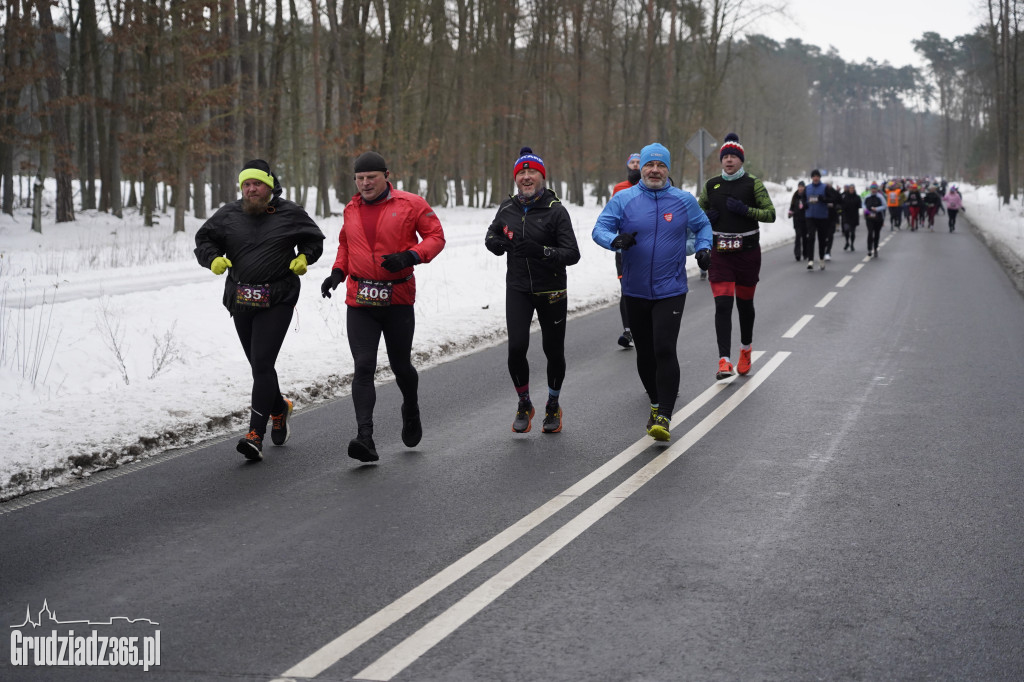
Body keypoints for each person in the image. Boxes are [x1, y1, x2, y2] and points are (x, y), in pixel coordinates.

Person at [194, 159, 325, 461]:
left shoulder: (290, 213)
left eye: (257, 184)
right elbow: (204, 239)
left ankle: (255, 434)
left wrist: (304, 257)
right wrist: (212, 259)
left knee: (263, 363)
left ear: (270, 185)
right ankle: (279, 408)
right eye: (246, 185)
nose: (251, 189)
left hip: (278, 296)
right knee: (258, 366)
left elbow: (313, 240)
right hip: (242, 298)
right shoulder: (229, 214)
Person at [321, 151, 446, 463]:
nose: (365, 183)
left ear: (386, 176)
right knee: (363, 366)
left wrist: (411, 256)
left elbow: (436, 237)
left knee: (400, 365)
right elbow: (346, 244)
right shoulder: (350, 208)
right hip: (360, 299)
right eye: (360, 178)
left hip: (397, 298)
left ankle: (411, 407)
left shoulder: (410, 204)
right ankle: (366, 437)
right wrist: (338, 272)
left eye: (371, 178)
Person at [592, 142, 713, 442]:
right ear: (641, 168)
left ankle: (665, 416)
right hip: (634, 289)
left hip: (671, 288)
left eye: (660, 166)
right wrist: (615, 241)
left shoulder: (683, 201)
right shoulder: (624, 199)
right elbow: (599, 229)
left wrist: (703, 248)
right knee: (645, 352)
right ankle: (655, 403)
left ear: (668, 170)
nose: (655, 170)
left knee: (663, 348)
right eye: (649, 165)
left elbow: (704, 226)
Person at [485, 147, 580, 434]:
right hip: (518, 289)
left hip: (551, 290)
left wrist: (541, 251)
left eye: (532, 172)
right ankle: (524, 403)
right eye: (521, 173)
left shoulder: (556, 211)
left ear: (542, 176)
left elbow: (572, 254)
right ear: (516, 178)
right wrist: (494, 244)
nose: (526, 177)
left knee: (553, 350)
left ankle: (553, 404)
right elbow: (492, 233)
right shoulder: (507, 207)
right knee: (516, 349)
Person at [696, 132, 776, 380]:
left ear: (741, 160)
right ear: (721, 160)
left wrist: (746, 210)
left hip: (747, 253)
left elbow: (770, 214)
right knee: (722, 305)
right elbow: (697, 215)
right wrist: (706, 218)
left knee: (744, 305)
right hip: (720, 253)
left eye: (733, 156)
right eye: (725, 156)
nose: (729, 160)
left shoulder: (753, 184)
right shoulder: (711, 185)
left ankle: (745, 349)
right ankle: (724, 360)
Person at [612, 152, 642, 347]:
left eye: (639, 162)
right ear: (627, 165)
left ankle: (644, 328)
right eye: (632, 162)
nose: (635, 165)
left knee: (643, 288)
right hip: (624, 249)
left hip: (646, 247)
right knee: (626, 289)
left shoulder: (648, 187)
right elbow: (611, 216)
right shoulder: (619, 188)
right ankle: (628, 331)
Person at [804, 169, 833, 270]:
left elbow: (831, 199)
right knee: (811, 237)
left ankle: (821, 259)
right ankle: (810, 260)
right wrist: (804, 205)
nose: (815, 178)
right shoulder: (807, 188)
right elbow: (803, 200)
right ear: (811, 178)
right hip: (810, 217)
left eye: (817, 176)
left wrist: (823, 199)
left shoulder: (825, 188)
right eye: (814, 176)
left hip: (822, 217)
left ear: (820, 178)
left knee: (822, 239)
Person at [863, 182, 887, 257]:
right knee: (870, 233)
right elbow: (863, 204)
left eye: (875, 189)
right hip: (869, 217)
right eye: (872, 189)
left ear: (877, 189)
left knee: (877, 234)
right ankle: (869, 249)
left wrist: (876, 209)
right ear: (870, 189)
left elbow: (885, 206)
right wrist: (865, 210)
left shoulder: (880, 197)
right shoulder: (867, 196)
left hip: (878, 218)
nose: (873, 190)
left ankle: (875, 248)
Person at [840, 183, 862, 252]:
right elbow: (841, 205)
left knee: (852, 232)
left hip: (854, 216)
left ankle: (852, 244)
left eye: (853, 189)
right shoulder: (845, 197)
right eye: (850, 189)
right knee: (846, 230)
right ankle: (847, 242)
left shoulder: (857, 197)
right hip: (846, 216)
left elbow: (860, 206)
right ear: (848, 189)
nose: (851, 190)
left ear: (854, 189)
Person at [788, 181, 807, 262]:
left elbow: (809, 205)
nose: (801, 188)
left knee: (805, 237)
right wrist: (790, 212)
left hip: (805, 220)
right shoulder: (795, 196)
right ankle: (797, 254)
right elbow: (792, 206)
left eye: (802, 187)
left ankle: (806, 253)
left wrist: (804, 205)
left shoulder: (806, 195)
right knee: (798, 236)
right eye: (799, 187)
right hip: (796, 219)